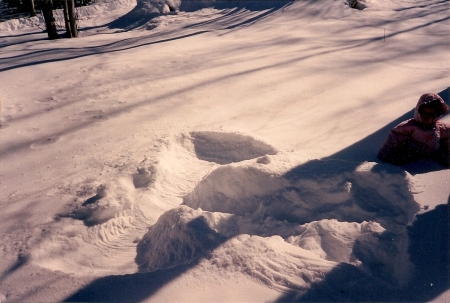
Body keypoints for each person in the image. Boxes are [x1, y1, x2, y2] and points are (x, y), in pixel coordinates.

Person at [377, 93, 450, 167]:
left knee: (443, 154)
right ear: (419, 111)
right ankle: (392, 163)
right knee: (404, 153)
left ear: (436, 115)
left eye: (430, 114)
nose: (426, 117)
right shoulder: (411, 125)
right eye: (424, 113)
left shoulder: (438, 127)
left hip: (432, 152)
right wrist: (384, 153)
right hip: (414, 150)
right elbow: (395, 136)